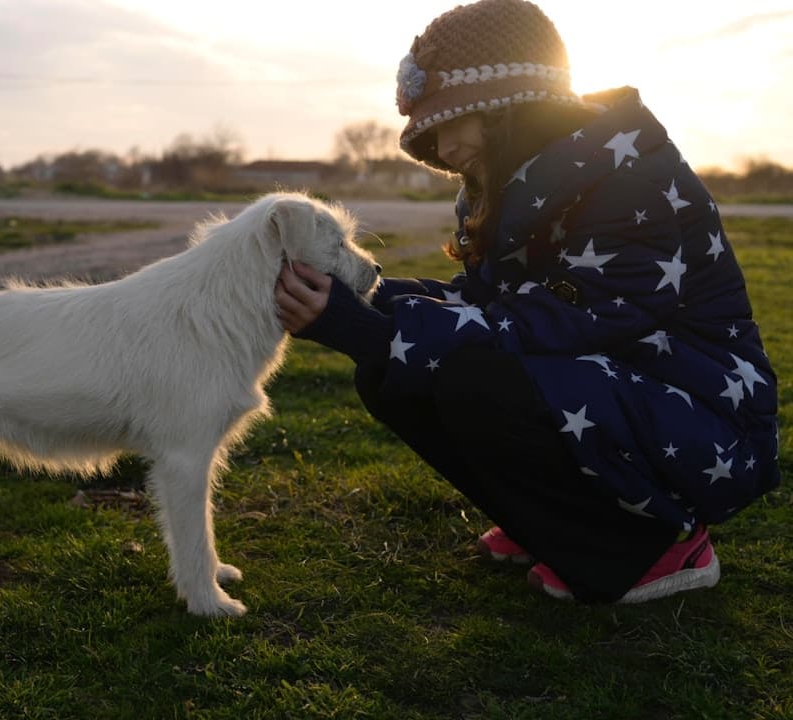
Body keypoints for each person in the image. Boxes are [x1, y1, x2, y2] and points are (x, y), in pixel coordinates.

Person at [274, 0, 780, 603]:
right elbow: (484, 305)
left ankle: (657, 547)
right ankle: (553, 523)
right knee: (393, 372)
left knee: (472, 375)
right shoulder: (512, 189)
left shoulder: (626, 183)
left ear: (505, 107)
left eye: (446, 122)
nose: (439, 145)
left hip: (704, 414)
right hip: (625, 392)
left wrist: (369, 331)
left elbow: (555, 323)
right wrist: (370, 303)